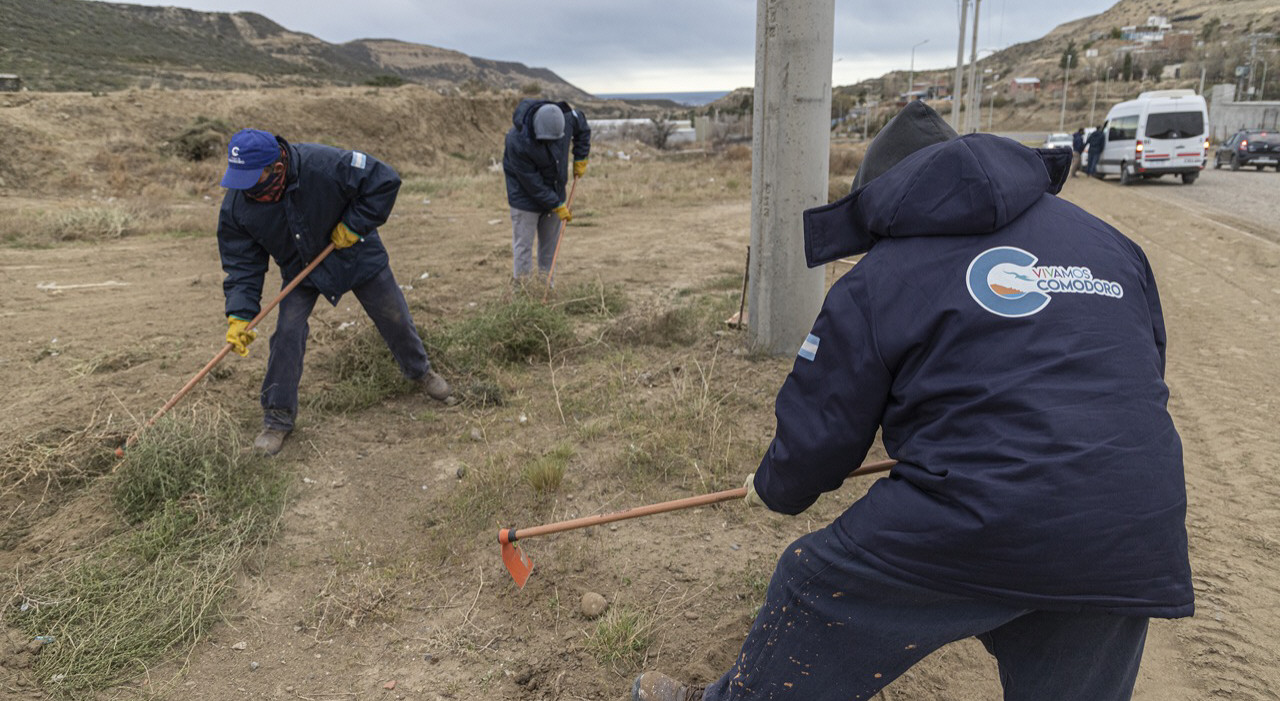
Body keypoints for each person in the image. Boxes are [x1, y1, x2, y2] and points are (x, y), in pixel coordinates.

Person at [631, 101, 1192, 701]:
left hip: (985, 513)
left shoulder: (881, 277)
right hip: (1133, 526)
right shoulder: (1110, 244)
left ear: (887, 200)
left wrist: (774, 487)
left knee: (814, 585)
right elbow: (1139, 375)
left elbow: (822, 435)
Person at [217, 128, 452, 456]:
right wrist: (239, 315)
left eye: (253, 179)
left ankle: (421, 373)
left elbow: (383, 180)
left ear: (277, 167)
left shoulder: (323, 163)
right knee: (286, 334)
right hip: (301, 270)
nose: (246, 190)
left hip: (356, 254)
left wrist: (355, 225)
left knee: (394, 317)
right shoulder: (238, 206)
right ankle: (277, 418)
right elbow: (243, 264)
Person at [502, 99, 591, 287]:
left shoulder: (566, 119)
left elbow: (582, 126)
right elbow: (530, 181)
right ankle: (524, 294)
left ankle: (546, 289)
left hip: (555, 192)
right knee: (523, 247)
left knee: (550, 248)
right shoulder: (516, 140)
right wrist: (556, 204)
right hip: (524, 198)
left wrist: (581, 156)